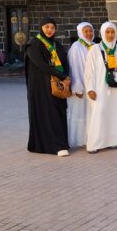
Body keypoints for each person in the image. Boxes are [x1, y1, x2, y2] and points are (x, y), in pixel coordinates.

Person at [26, 17, 71, 157]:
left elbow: (65, 61)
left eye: (52, 27)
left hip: (58, 85)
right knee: (48, 113)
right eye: (46, 27)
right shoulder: (34, 44)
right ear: (41, 28)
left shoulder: (57, 44)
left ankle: (62, 142)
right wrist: (62, 76)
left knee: (59, 112)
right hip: (41, 86)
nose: (49, 30)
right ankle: (55, 146)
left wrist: (66, 76)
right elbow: (41, 65)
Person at [84, 22, 117, 154]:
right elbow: (89, 71)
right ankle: (94, 144)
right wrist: (90, 89)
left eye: (112, 32)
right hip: (100, 88)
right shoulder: (95, 49)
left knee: (115, 113)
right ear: (102, 33)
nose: (110, 35)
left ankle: (113, 141)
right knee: (99, 113)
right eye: (107, 32)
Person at [67, 22, 95, 149]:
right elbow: (74, 67)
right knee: (80, 112)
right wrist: (77, 86)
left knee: (91, 113)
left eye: (91, 31)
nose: (89, 33)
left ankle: (90, 137)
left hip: (92, 86)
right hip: (80, 86)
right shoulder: (76, 47)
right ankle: (79, 139)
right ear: (80, 32)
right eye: (86, 31)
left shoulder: (95, 46)